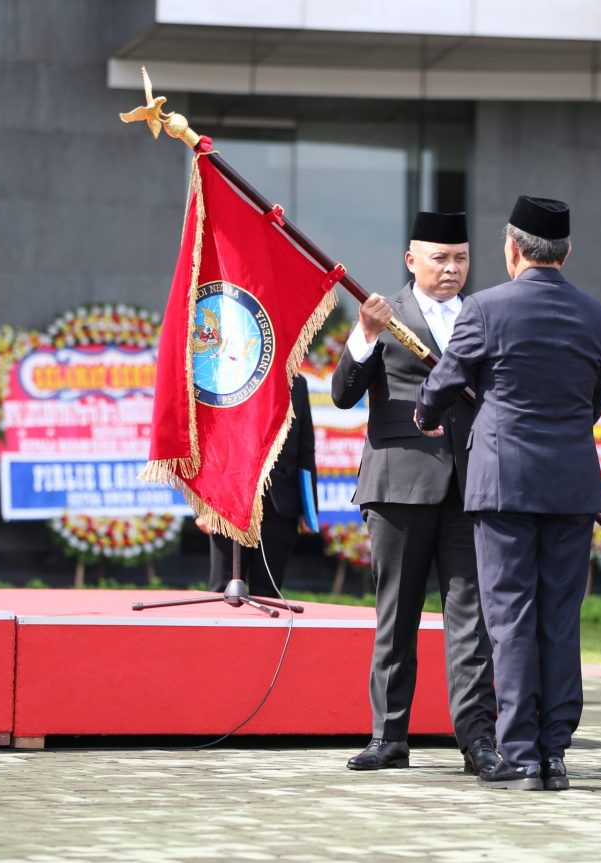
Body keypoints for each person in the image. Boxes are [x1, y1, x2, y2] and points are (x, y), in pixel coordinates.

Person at [415, 196, 601, 791]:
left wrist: (427, 412)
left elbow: (447, 381)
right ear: (567, 252)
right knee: (560, 618)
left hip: (503, 485)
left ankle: (521, 754)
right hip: (573, 483)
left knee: (510, 619)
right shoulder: (595, 314)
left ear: (511, 249)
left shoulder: (484, 309)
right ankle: (555, 752)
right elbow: (596, 397)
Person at [332, 211, 498, 776]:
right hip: (400, 484)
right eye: (440, 259)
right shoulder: (387, 315)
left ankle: (479, 740)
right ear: (412, 260)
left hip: (471, 485)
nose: (452, 270)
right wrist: (366, 334)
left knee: (472, 620)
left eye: (461, 259)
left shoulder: (485, 314)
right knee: (396, 614)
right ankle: (388, 736)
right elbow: (341, 395)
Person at [204, 374, 317, 597]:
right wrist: (205, 507)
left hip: (280, 502)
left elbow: (306, 449)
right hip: (228, 501)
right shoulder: (227, 375)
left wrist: (309, 509)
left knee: (269, 594)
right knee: (223, 591)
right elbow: (211, 442)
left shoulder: (297, 382)